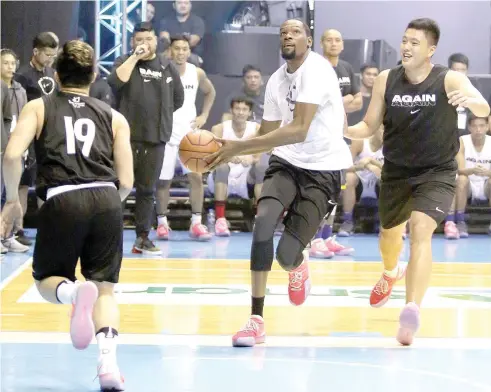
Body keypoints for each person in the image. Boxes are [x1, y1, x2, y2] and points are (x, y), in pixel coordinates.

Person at [205, 19, 351, 347]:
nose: (287, 34)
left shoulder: (317, 70)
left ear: (308, 40)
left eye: (295, 31)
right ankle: (256, 319)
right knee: (262, 224)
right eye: (283, 31)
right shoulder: (275, 81)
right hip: (286, 163)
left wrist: (237, 147)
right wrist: (227, 152)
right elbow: (268, 135)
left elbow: (299, 128)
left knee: (286, 256)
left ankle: (298, 264)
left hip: (324, 170)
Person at [344, 18, 490, 346]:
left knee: (421, 231)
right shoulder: (386, 79)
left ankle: (411, 308)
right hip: (396, 171)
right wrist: (341, 128)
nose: (407, 47)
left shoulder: (449, 78)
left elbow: (484, 106)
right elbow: (367, 126)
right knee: (390, 237)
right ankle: (390, 271)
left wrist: (468, 100)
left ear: (431, 50)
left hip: (436, 171)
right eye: (404, 40)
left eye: (415, 42)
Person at [1, 40, 134, 390]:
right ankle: (108, 365)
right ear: (93, 76)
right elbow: (128, 181)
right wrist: (107, 202)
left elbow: (12, 155)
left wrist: (14, 201)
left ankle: (74, 296)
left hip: (62, 198)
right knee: (106, 290)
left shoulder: (39, 106)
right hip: (107, 198)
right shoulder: (115, 117)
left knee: (48, 281)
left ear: (56, 76)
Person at [107, 22, 184, 254]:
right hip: (125, 139)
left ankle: (142, 237)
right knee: (118, 187)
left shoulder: (166, 66)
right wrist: (134, 57)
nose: (144, 44)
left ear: (155, 41)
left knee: (147, 190)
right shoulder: (123, 62)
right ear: (132, 42)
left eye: (148, 39)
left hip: (155, 139)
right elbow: (115, 82)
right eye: (139, 40)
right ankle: (109, 236)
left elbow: (178, 99)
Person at [155, 35, 215, 241]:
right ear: (170, 51)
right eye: (177, 49)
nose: (181, 52)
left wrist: (204, 115)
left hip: (189, 135)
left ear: (189, 51)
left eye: (184, 49)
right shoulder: (161, 71)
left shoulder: (196, 73)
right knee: (163, 181)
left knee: (196, 178)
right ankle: (162, 223)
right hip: (166, 134)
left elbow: (210, 92)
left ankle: (197, 223)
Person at [208, 97, 263, 237]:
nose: (240, 112)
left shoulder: (256, 129)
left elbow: (259, 154)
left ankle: (260, 220)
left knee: (261, 168)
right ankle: (220, 219)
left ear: (249, 112)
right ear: (231, 110)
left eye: (244, 109)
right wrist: (231, 157)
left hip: (245, 178)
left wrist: (250, 158)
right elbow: (213, 155)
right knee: (222, 166)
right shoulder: (219, 129)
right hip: (220, 177)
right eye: (237, 109)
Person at [444, 115, 491, 239]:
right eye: (475, 126)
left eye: (481, 126)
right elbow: (459, 170)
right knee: (461, 179)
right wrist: (472, 170)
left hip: (486, 185)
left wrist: (487, 173)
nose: (478, 130)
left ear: (487, 127)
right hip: (468, 185)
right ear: (469, 127)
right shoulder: (462, 141)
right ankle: (458, 221)